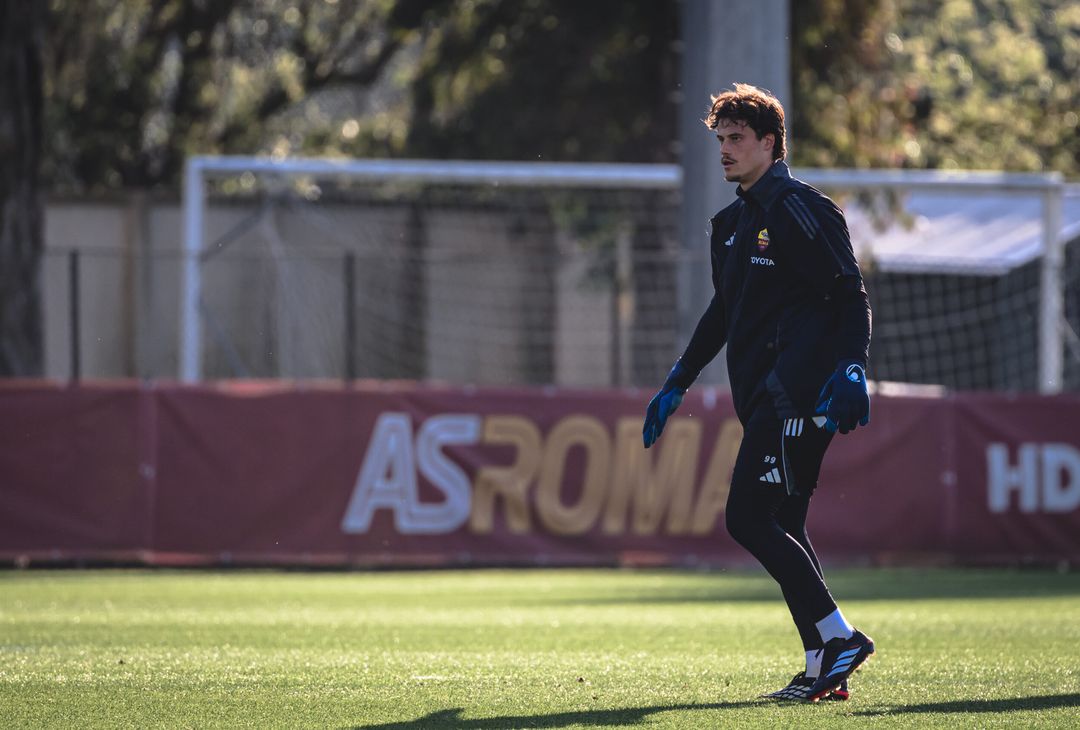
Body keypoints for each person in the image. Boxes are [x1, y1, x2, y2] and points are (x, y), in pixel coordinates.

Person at [642, 83, 874, 703]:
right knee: (786, 523)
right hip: (761, 398)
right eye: (720, 139)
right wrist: (677, 381)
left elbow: (849, 295)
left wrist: (851, 367)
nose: (724, 150)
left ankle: (841, 638)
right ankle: (823, 660)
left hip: (799, 398)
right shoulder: (730, 224)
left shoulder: (804, 210)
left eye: (736, 139)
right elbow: (725, 313)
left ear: (770, 143)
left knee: (747, 517)